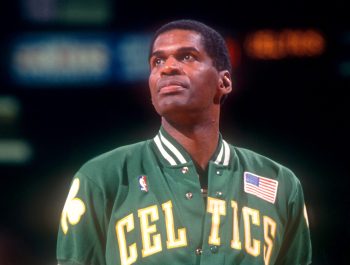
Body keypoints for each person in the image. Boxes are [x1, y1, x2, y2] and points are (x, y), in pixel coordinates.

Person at [57, 19, 312, 265]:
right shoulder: (102, 176)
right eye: (157, 61)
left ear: (223, 82)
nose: (167, 68)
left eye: (187, 56)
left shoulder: (281, 184)